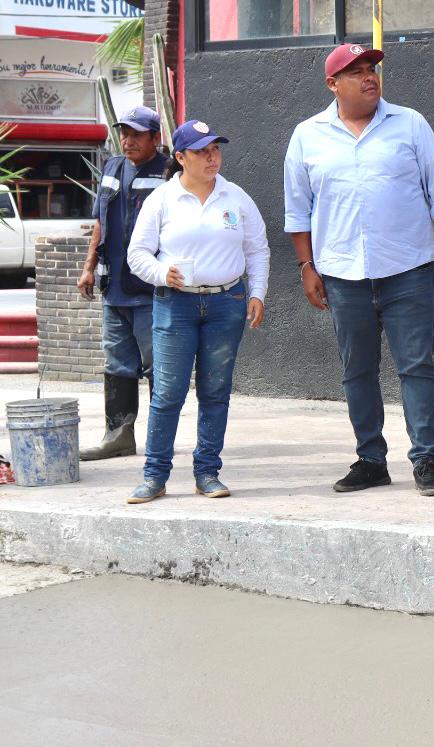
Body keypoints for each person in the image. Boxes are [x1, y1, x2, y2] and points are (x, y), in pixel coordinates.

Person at [284, 44, 434, 497]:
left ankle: (425, 459)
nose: (369, 78)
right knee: (356, 370)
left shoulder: (410, 124)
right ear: (332, 84)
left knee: (417, 367)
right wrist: (307, 266)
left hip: (408, 269)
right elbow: (297, 211)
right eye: (357, 72)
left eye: (372, 70)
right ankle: (370, 459)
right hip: (342, 274)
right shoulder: (307, 135)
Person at [125, 120, 270, 504]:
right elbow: (136, 254)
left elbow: (257, 249)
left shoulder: (236, 197)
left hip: (227, 303)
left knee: (216, 391)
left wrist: (257, 293)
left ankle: (207, 471)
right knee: (169, 393)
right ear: (180, 157)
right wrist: (162, 272)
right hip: (176, 304)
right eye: (202, 151)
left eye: (216, 150)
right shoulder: (162, 199)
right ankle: (154, 476)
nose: (212, 157)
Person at [77, 106, 168, 460]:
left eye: (137, 135)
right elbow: (100, 220)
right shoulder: (112, 166)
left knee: (158, 366)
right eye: (125, 133)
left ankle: (160, 439)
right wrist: (88, 266)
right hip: (113, 287)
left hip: (149, 290)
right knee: (117, 364)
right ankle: (118, 436)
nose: (128, 141)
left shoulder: (168, 172)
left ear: (154, 139)